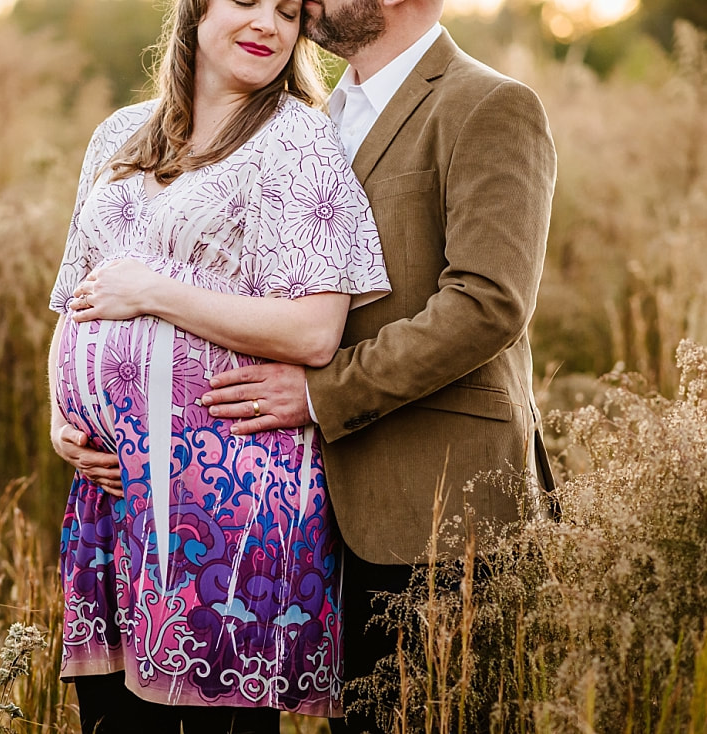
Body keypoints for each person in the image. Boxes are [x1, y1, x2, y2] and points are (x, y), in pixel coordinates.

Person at [196, 0, 559, 732]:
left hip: (446, 514)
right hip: (321, 518)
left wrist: (321, 391)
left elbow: (488, 303)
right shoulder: (312, 121)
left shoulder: (489, 104)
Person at [47, 0, 390, 731]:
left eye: (290, 11)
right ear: (195, 10)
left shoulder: (295, 138)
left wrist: (156, 293)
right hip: (111, 496)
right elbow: (77, 295)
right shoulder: (117, 134)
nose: (269, 22)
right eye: (248, 1)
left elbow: (314, 331)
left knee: (217, 724)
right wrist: (60, 419)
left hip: (229, 501)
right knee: (112, 721)